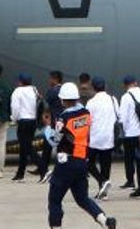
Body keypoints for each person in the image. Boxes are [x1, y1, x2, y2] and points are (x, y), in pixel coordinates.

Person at [44, 82, 117, 229]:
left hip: (66, 162)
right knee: (82, 198)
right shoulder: (85, 113)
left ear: (63, 100)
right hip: (82, 160)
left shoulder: (63, 118)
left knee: (55, 200)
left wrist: (47, 127)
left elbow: (54, 141)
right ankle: (104, 220)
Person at [86, 77, 117, 200]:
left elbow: (88, 121)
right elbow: (117, 116)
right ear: (105, 86)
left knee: (88, 163)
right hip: (108, 136)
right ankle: (104, 192)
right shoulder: (113, 99)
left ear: (93, 87)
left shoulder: (91, 102)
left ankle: (102, 182)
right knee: (106, 165)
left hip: (95, 137)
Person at [118, 75, 140, 195]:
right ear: (135, 82)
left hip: (130, 133)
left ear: (125, 85)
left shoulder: (126, 97)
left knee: (129, 158)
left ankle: (130, 180)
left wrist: (123, 131)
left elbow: (123, 118)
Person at [11, 73, 42, 182]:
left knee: (26, 147)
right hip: (33, 121)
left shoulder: (18, 91)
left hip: (23, 121)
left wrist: (14, 119)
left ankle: (43, 168)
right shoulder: (34, 89)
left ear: (20, 81)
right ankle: (20, 173)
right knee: (24, 148)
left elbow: (15, 108)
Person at [39, 70, 65, 183]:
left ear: (54, 79)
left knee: (47, 149)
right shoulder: (64, 90)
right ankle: (62, 172)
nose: (49, 81)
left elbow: (45, 105)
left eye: (50, 79)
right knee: (62, 150)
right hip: (65, 124)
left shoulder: (52, 91)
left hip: (54, 125)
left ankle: (44, 172)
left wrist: (45, 118)